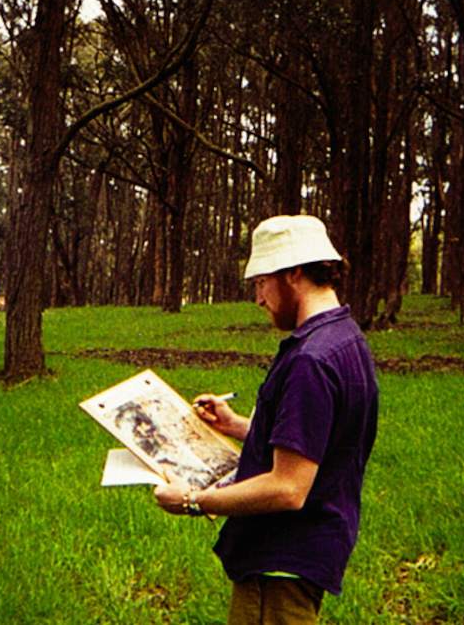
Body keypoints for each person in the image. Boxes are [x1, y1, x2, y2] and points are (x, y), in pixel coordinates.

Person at [155, 215, 379, 625]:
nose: (258, 298)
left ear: (293, 273)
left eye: (260, 282)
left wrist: (191, 500)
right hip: (307, 552)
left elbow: (288, 488)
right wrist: (239, 426)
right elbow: (321, 439)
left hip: (280, 566)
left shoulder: (310, 360)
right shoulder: (345, 339)